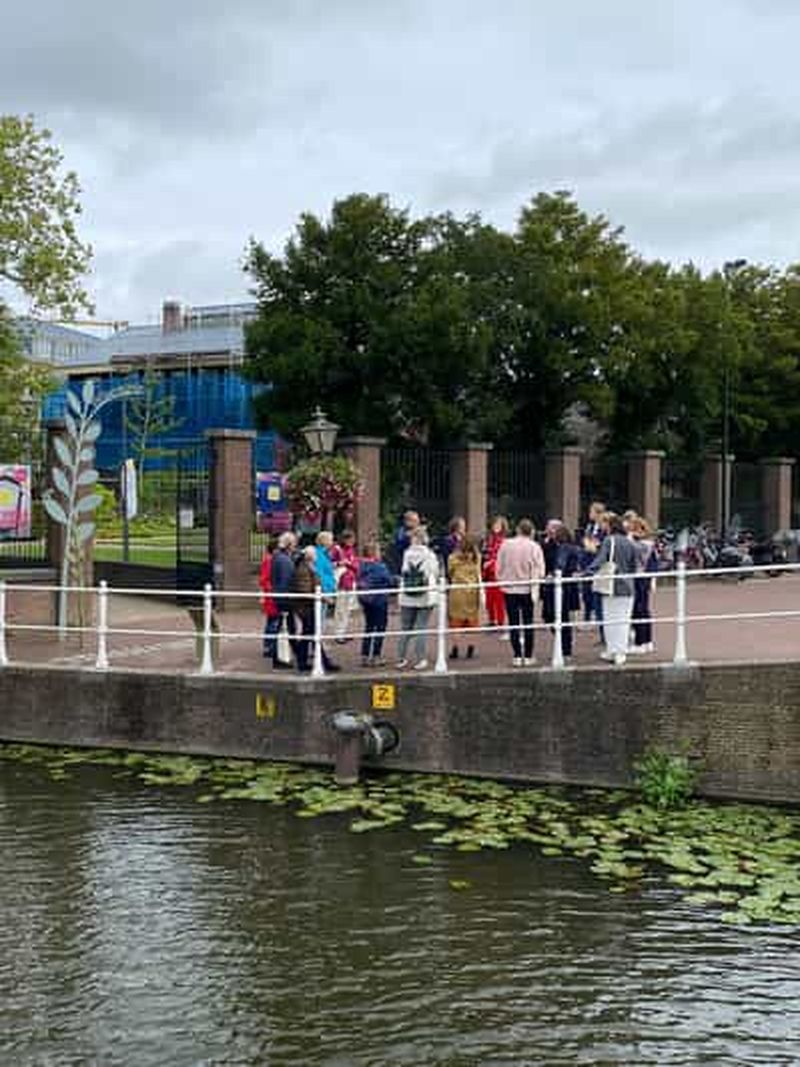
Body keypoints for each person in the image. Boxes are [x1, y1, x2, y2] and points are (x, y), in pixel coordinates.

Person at [588, 512, 639, 666]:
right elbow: (633, 565)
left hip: (611, 584)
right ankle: (620, 652)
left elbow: (600, 560)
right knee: (623, 620)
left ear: (610, 527)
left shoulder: (609, 540)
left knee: (610, 619)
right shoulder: (630, 542)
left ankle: (613, 650)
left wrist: (586, 572)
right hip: (627, 585)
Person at [496, 518, 545, 667]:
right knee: (528, 622)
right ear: (531, 532)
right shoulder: (534, 547)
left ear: (517, 529)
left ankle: (517, 655)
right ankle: (528, 655)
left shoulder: (506, 545)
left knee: (513, 623)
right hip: (527, 589)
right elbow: (541, 570)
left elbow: (498, 567)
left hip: (509, 588)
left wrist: (502, 580)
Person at [289, 546, 340, 674]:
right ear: (310, 556)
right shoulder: (304, 569)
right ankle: (320, 662)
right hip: (306, 608)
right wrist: (322, 598)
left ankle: (309, 661)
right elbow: (304, 590)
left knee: (310, 634)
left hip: (308, 607)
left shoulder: (307, 567)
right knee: (311, 634)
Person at [397, 526, 440, 671]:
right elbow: (434, 572)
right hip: (425, 596)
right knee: (421, 627)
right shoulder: (429, 555)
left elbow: (403, 571)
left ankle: (401, 658)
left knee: (405, 628)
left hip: (407, 596)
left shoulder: (406, 554)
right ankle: (420, 659)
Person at [540, 522, 581, 659]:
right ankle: (563, 643)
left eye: (553, 530)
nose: (550, 532)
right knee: (551, 616)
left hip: (563, 586)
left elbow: (563, 565)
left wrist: (554, 574)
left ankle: (565, 648)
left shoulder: (567, 548)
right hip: (556, 586)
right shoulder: (550, 545)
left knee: (561, 616)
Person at [357, 541, 394, 667]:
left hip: (366, 600)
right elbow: (389, 580)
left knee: (369, 627)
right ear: (374, 553)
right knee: (380, 628)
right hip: (379, 600)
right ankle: (376, 656)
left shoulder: (361, 566)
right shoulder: (379, 567)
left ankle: (365, 656)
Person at [447, 533, 481, 660]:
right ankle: (470, 649)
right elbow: (478, 572)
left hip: (457, 591)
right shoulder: (476, 557)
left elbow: (449, 573)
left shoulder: (452, 558)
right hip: (472, 592)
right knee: (472, 621)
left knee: (455, 622)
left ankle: (455, 649)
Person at [629, 516, 658, 654]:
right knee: (643, 610)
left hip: (639, 579)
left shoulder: (643, 544)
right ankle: (647, 641)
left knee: (638, 610)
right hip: (643, 580)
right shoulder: (649, 544)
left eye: (632, 529)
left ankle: (641, 642)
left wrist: (629, 537)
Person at [270, 531, 297, 670]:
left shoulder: (277, 557)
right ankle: (282, 658)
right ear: (289, 545)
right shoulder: (285, 560)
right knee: (286, 628)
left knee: (285, 627)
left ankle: (293, 655)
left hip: (279, 597)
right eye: (293, 544)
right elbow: (286, 581)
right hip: (285, 599)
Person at [581, 500, 606, 638]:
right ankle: (587, 617)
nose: (589, 514)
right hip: (587, 562)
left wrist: (592, 545)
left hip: (596, 562)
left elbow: (598, 546)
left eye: (591, 511)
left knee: (596, 592)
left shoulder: (603, 529)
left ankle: (597, 618)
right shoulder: (590, 526)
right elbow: (586, 541)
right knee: (586, 591)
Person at [482, 515, 509, 638]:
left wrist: (490, 563)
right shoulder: (489, 539)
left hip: (497, 573)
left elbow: (500, 557)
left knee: (499, 601)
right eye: (494, 524)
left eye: (498, 525)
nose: (495, 527)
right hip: (488, 574)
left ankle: (500, 623)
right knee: (489, 600)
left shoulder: (503, 541)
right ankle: (492, 620)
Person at [331, 529, 359, 642]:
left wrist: (351, 564)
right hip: (341, 583)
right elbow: (329, 564)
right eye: (350, 539)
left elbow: (355, 564)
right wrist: (339, 563)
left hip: (350, 581)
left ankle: (343, 631)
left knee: (347, 609)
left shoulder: (351, 550)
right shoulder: (337, 550)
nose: (352, 541)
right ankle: (338, 634)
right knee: (340, 609)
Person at [258, 538, 280, 660]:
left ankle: (269, 645)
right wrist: (273, 590)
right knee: (273, 622)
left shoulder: (271, 560)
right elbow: (264, 580)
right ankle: (269, 646)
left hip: (272, 595)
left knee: (272, 621)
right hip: (272, 596)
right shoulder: (269, 561)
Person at [314, 531, 337, 624]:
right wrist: (324, 592)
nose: (332, 542)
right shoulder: (319, 555)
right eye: (331, 540)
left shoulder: (325, 554)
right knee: (320, 619)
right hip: (323, 591)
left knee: (322, 617)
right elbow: (319, 574)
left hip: (327, 589)